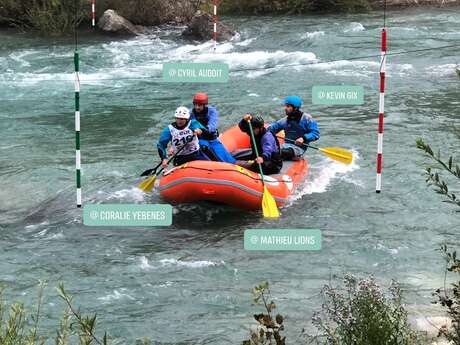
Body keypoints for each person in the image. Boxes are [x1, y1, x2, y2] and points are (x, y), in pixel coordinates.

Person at [190, 92, 237, 164]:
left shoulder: (212, 111)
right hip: (200, 139)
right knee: (204, 147)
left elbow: (212, 126)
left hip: (212, 138)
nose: (197, 107)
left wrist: (203, 129)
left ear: (204, 105)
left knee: (227, 158)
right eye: (195, 105)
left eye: (199, 105)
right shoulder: (190, 113)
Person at [268, 95, 320, 160]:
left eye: (288, 106)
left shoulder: (307, 119)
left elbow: (316, 134)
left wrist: (303, 138)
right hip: (285, 146)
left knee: (281, 152)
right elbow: (271, 129)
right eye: (285, 106)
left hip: (299, 149)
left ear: (295, 108)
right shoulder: (284, 121)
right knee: (269, 150)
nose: (285, 108)